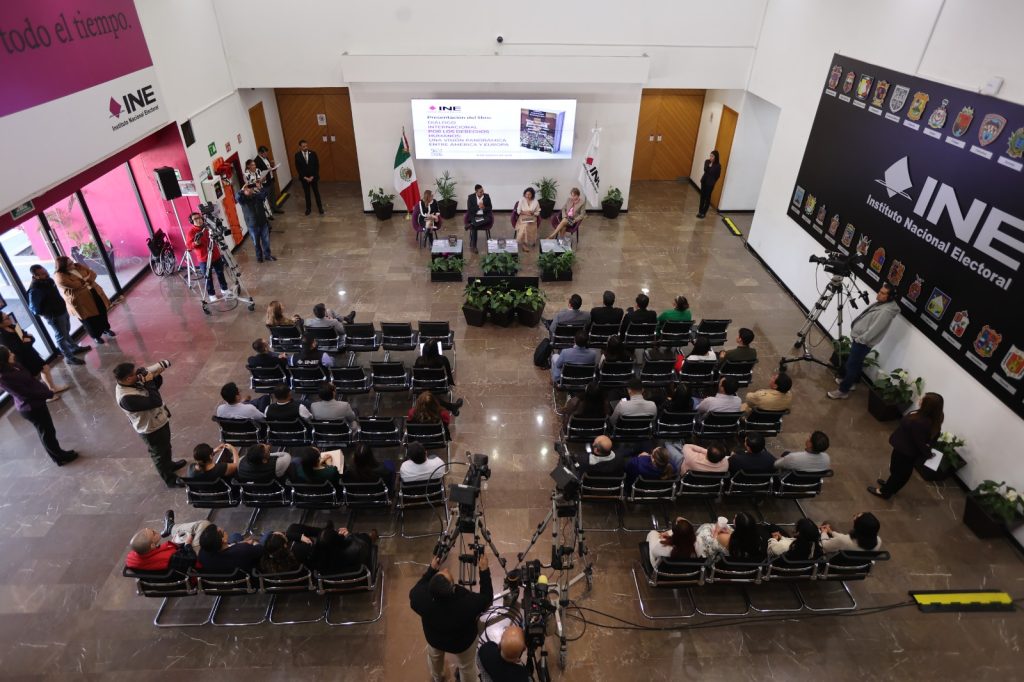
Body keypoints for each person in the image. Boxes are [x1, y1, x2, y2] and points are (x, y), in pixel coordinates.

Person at [410, 552, 493, 682]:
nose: (446, 568)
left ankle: (438, 677)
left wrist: (431, 570)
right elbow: (487, 598)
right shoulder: (467, 604)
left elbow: (418, 586)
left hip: (434, 639)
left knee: (434, 658)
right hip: (462, 643)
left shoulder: (419, 598)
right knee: (466, 666)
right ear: (453, 589)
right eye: (446, 574)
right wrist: (484, 571)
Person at [0, 346, 78, 466]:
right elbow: (25, 393)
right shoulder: (4, 378)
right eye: (9, 353)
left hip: (37, 402)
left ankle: (59, 453)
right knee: (47, 433)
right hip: (30, 407)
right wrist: (48, 393)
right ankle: (59, 458)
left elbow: (30, 380)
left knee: (49, 431)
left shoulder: (13, 366)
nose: (12, 354)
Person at [114, 360, 185, 487]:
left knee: (166, 447)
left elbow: (154, 390)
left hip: (158, 420)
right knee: (159, 453)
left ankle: (169, 465)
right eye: (134, 374)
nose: (137, 375)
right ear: (128, 378)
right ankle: (170, 479)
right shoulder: (126, 398)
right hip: (150, 428)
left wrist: (155, 377)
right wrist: (149, 381)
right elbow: (155, 401)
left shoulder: (131, 383)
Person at [828, 282, 900, 399]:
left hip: (862, 343)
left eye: (882, 293)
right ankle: (852, 383)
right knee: (857, 363)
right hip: (861, 341)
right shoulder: (882, 305)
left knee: (851, 365)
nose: (879, 294)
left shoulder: (885, 312)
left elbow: (874, 330)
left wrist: (860, 339)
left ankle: (843, 391)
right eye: (880, 291)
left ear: (890, 297)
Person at [868, 392, 944, 499]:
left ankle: (885, 492)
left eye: (923, 399)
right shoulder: (930, 417)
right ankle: (891, 486)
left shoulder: (921, 422)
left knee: (898, 472)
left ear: (928, 406)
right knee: (899, 471)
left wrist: (928, 454)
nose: (920, 399)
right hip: (906, 448)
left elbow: (920, 442)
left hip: (905, 451)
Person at [27, 264, 90, 365]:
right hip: (54, 316)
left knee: (66, 331)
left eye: (45, 271)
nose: (46, 273)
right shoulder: (35, 289)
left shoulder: (49, 280)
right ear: (36, 276)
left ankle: (74, 348)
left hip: (62, 310)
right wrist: (48, 313)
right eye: (43, 274)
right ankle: (69, 357)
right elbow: (34, 308)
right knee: (61, 336)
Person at [0, 311, 69, 395]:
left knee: (45, 368)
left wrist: (27, 340)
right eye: (6, 318)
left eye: (7, 316)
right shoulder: (2, 336)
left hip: (31, 353)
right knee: (32, 378)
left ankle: (52, 388)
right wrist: (26, 340)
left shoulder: (14, 326)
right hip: (22, 359)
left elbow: (30, 338)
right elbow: (17, 349)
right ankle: (45, 395)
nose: (9, 318)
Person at [53, 255, 115, 344]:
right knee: (89, 319)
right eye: (69, 264)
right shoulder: (60, 276)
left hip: (93, 292)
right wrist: (86, 279)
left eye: (71, 262)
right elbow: (75, 285)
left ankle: (106, 329)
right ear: (63, 267)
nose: (72, 265)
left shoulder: (78, 266)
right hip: (81, 300)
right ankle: (96, 336)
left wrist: (84, 281)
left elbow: (93, 274)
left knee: (102, 311)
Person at [126, 516, 210, 572]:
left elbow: (160, 553)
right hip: (194, 567)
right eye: (153, 533)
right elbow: (192, 560)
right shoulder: (170, 559)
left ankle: (170, 527)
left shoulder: (133, 559)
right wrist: (187, 544)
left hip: (176, 564)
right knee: (204, 525)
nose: (155, 530)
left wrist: (173, 544)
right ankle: (171, 528)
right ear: (152, 545)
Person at [185, 212, 230, 302]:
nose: (198, 220)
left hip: (215, 255)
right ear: (191, 221)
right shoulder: (191, 232)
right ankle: (211, 294)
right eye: (195, 219)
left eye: (199, 218)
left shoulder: (208, 227)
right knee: (208, 277)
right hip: (204, 258)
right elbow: (189, 246)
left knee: (220, 273)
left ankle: (224, 289)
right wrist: (195, 243)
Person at [312, 521, 377, 574]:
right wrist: (349, 536)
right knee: (363, 537)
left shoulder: (315, 558)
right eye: (335, 532)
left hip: (331, 584)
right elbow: (363, 548)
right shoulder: (353, 551)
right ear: (337, 540)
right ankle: (370, 538)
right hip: (358, 578)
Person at [198, 524, 264, 574]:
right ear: (223, 540)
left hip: (224, 577)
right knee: (268, 536)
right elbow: (260, 550)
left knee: (235, 535)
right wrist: (254, 542)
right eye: (224, 531)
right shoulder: (243, 550)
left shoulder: (202, 553)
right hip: (246, 576)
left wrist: (239, 544)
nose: (224, 529)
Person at [236, 181, 274, 262]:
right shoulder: (243, 200)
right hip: (252, 225)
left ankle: (268, 255)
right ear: (244, 191)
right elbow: (237, 197)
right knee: (256, 243)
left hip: (263, 223)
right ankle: (259, 257)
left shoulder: (257, 196)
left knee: (266, 241)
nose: (249, 190)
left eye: (250, 189)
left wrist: (260, 187)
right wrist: (242, 190)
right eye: (247, 189)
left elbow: (265, 194)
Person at [295, 139, 323, 215]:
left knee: (316, 193)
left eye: (306, 146)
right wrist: (305, 177)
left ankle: (320, 208)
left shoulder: (313, 153)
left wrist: (313, 176)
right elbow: (298, 168)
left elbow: (317, 166)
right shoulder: (297, 155)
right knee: (307, 194)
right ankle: (308, 209)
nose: (305, 147)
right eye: (303, 146)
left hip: (313, 177)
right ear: (300, 147)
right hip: (304, 179)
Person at [254, 145, 284, 214]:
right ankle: (269, 212)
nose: (266, 155)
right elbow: (259, 172)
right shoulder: (256, 161)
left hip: (271, 179)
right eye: (265, 153)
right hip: (265, 182)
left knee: (273, 195)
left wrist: (273, 166)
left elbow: (269, 167)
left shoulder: (266, 158)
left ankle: (275, 208)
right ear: (260, 153)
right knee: (267, 197)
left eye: (266, 153)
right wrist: (266, 171)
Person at [465, 184, 493, 253]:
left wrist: (484, 208)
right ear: (476, 192)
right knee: (475, 227)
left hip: (484, 216)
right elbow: (470, 209)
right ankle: (474, 247)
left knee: (488, 219)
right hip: (475, 216)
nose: (482, 192)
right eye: (480, 192)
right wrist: (479, 207)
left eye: (482, 191)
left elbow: (490, 208)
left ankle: (471, 224)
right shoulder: (471, 197)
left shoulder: (486, 196)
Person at [696, 150, 721, 219]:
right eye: (710, 155)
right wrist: (709, 166)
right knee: (702, 197)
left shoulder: (718, 166)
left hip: (710, 184)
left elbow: (717, 176)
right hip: (704, 181)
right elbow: (705, 170)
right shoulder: (707, 161)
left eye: (712, 156)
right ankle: (700, 212)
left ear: (716, 157)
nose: (710, 157)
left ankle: (704, 213)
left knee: (707, 198)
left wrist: (713, 181)